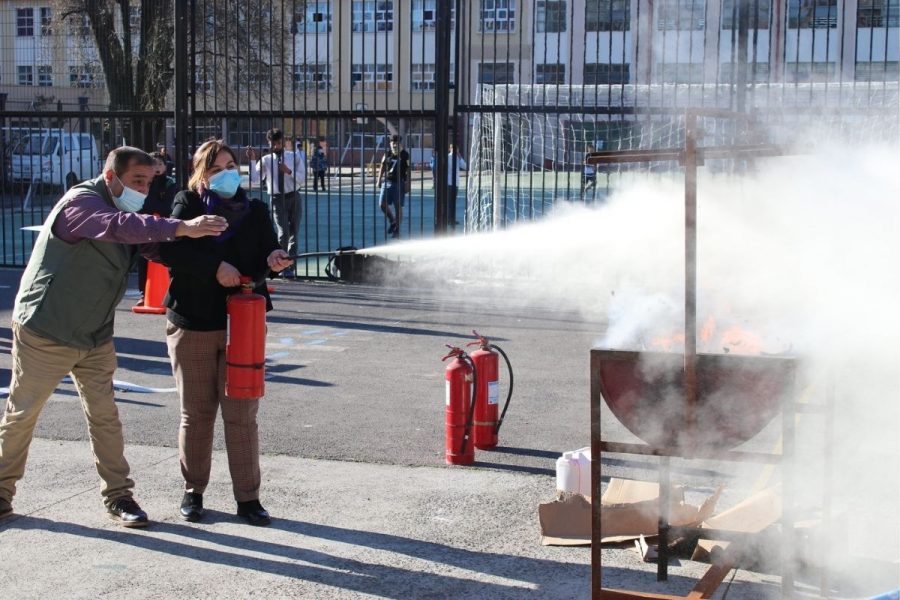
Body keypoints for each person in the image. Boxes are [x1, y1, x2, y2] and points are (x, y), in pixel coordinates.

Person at [0, 146, 228, 526]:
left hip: (94, 334)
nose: (144, 189)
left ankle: (119, 496)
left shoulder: (131, 213)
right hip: (45, 330)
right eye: (137, 180)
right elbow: (116, 228)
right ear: (111, 177)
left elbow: (157, 247)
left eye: (149, 181)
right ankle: (2, 492)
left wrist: (221, 261)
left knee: (105, 416)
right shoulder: (82, 203)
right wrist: (180, 226)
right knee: (23, 415)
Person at [158, 139, 293, 527]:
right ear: (201, 173)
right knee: (196, 414)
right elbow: (171, 252)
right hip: (193, 321)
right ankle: (193, 491)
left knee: (242, 415)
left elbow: (267, 254)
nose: (227, 173)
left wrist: (274, 260)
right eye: (216, 168)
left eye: (231, 164)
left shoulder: (255, 211)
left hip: (243, 328)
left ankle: (248, 498)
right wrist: (215, 267)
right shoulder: (188, 204)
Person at [246, 128, 306, 277]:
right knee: (283, 232)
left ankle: (290, 266)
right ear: (269, 143)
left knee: (294, 233)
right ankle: (280, 265)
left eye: (279, 143)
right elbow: (254, 179)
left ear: (284, 142)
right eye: (273, 143)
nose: (276, 146)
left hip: (294, 196)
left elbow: (303, 178)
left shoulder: (294, 157)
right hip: (277, 198)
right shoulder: (266, 160)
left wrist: (289, 171)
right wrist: (253, 160)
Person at [135, 151, 179, 306]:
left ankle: (168, 293)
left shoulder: (169, 183)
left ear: (166, 166)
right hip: (144, 224)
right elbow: (140, 204)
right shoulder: (146, 182)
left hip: (162, 226)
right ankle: (142, 293)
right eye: (154, 164)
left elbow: (166, 207)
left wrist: (152, 207)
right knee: (142, 259)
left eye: (160, 164)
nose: (158, 167)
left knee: (165, 258)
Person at [377, 134, 410, 239]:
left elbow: (408, 169)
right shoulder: (387, 153)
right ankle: (392, 221)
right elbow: (382, 166)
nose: (394, 144)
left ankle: (397, 230)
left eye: (396, 142)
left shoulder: (405, 154)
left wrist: (408, 183)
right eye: (392, 142)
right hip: (387, 181)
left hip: (399, 182)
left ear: (400, 143)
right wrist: (378, 180)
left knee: (398, 206)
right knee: (382, 204)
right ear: (390, 143)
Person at [446, 144, 467, 231]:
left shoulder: (457, 157)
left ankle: (451, 219)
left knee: (452, 202)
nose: (455, 150)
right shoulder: (449, 157)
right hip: (450, 182)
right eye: (453, 148)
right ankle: (449, 219)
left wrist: (460, 156)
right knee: (450, 202)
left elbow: (465, 166)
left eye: (456, 148)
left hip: (455, 182)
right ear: (450, 149)